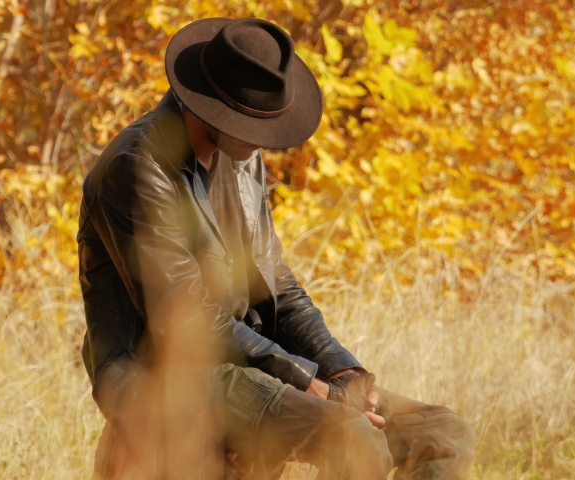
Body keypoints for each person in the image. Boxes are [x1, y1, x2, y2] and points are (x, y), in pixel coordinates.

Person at [78, 17, 475, 480]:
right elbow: (185, 318)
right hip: (167, 371)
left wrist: (340, 370)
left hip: (245, 359)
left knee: (445, 435)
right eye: (255, 126)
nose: (271, 142)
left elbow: (276, 286)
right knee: (352, 437)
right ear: (217, 112)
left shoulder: (242, 156)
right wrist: (307, 382)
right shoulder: (139, 166)